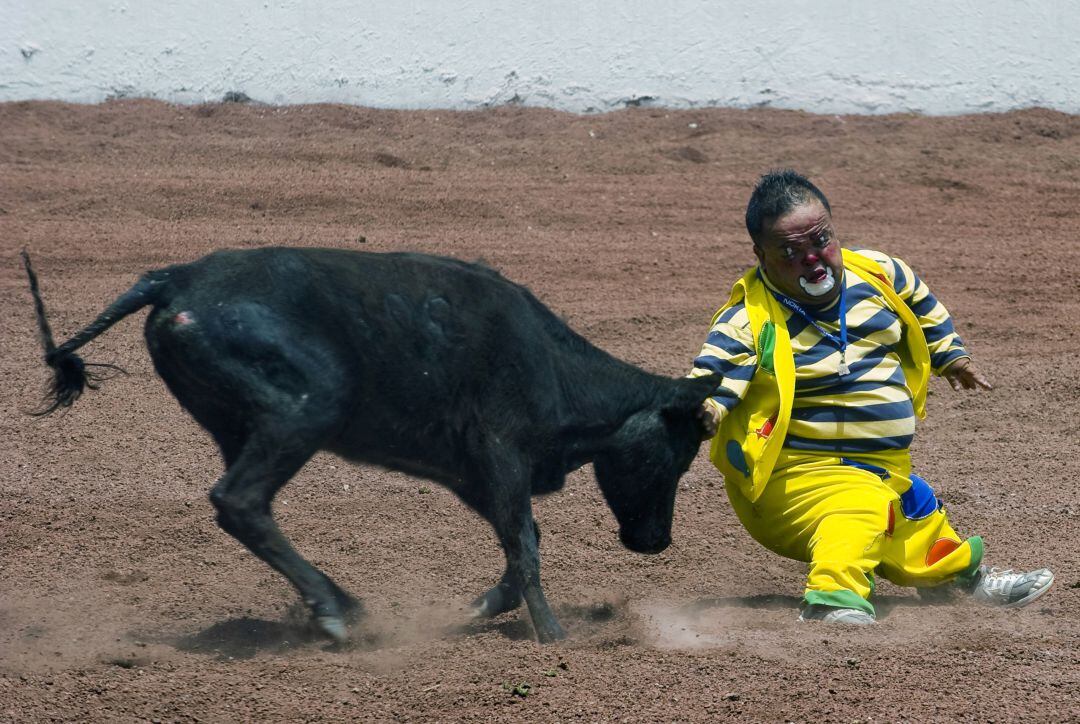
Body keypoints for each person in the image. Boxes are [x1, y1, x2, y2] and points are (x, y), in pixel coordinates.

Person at [690, 169, 1053, 624]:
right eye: (791, 252)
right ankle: (830, 600)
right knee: (861, 505)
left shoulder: (880, 274)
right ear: (760, 255)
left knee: (913, 506)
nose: (813, 259)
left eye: (821, 240)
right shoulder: (748, 320)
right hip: (790, 481)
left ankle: (958, 581)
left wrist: (950, 356)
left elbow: (921, 304)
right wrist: (703, 411)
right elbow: (713, 377)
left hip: (879, 469)